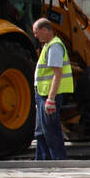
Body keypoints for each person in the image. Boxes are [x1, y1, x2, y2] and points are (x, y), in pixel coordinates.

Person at [33, 17, 73, 160]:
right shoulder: (47, 46)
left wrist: (50, 99)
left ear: (45, 30)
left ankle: (58, 162)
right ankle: (42, 162)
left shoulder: (54, 46)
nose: (35, 36)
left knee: (51, 132)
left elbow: (57, 74)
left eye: (36, 33)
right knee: (41, 133)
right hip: (42, 95)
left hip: (48, 96)